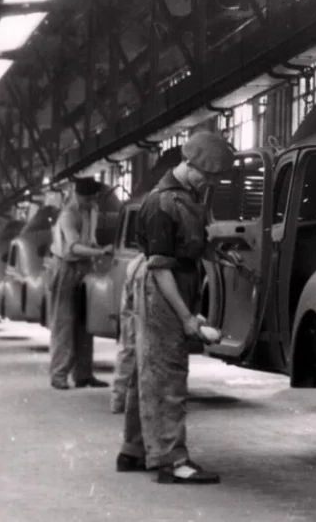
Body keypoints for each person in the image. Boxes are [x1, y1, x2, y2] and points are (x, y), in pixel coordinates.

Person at [117, 131, 232, 485]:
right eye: (208, 176)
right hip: (162, 288)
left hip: (177, 281)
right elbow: (160, 268)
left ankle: (134, 450)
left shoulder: (188, 197)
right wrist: (186, 317)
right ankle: (172, 461)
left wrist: (216, 248)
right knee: (167, 373)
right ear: (191, 164)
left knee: (148, 369)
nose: (210, 183)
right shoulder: (161, 203)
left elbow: (187, 246)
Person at [47, 177, 113, 390]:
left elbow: (89, 240)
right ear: (80, 195)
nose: (94, 201)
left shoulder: (91, 210)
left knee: (85, 322)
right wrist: (99, 252)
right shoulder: (68, 214)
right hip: (66, 268)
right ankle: (59, 374)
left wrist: (99, 248)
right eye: (90, 198)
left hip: (85, 268)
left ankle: (83, 374)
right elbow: (73, 248)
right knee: (64, 323)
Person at [111, 252, 145, 414]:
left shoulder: (136, 264)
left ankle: (119, 398)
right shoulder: (142, 266)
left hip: (132, 302)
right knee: (130, 349)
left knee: (128, 348)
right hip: (136, 302)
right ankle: (121, 399)